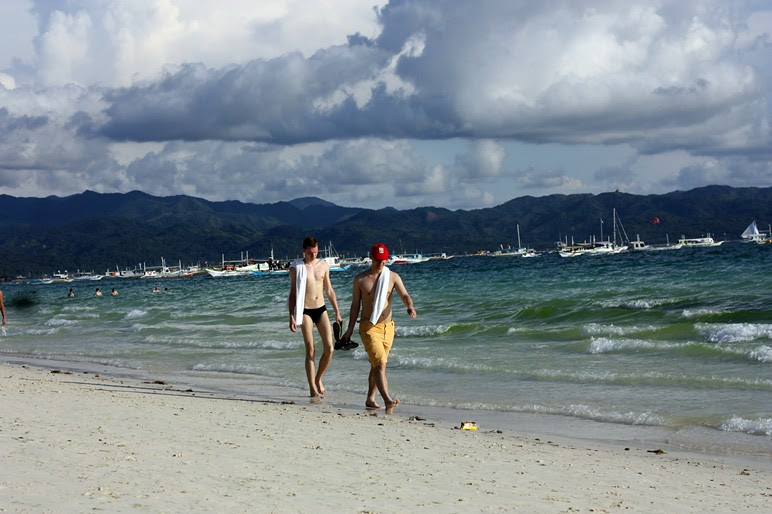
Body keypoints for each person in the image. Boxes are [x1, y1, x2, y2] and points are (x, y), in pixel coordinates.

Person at [342, 243, 416, 412]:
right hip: (369, 327)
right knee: (381, 364)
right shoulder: (360, 280)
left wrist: (410, 306)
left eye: (384, 260)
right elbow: (355, 306)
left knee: (376, 365)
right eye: (378, 260)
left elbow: (404, 295)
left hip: (388, 328)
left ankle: (370, 399)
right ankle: (388, 400)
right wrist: (349, 329)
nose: (381, 263)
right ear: (371, 258)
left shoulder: (392, 277)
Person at [288, 236, 343, 398]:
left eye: (315, 252)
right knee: (310, 349)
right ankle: (312, 388)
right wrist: (291, 315)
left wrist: (337, 312)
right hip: (304, 310)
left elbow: (329, 290)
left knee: (330, 348)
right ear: (304, 250)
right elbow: (293, 293)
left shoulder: (323, 265)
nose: (313, 255)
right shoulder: (296, 267)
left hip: (321, 309)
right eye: (310, 253)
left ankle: (318, 378)